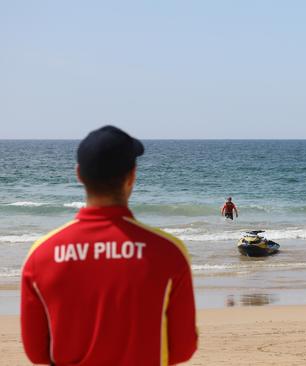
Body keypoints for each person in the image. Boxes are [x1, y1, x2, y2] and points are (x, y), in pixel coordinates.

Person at [21, 126, 198, 365]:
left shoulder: (41, 255)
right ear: (132, 176)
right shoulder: (168, 252)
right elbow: (183, 349)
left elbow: (37, 353)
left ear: (79, 174)